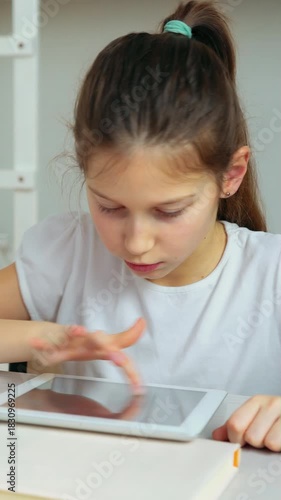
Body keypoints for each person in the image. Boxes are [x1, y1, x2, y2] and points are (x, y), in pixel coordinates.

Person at [0, 0, 280, 452]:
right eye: (109, 207)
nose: (136, 243)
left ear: (231, 175)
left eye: (168, 212)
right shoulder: (69, 250)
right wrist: (43, 338)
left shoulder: (271, 275)